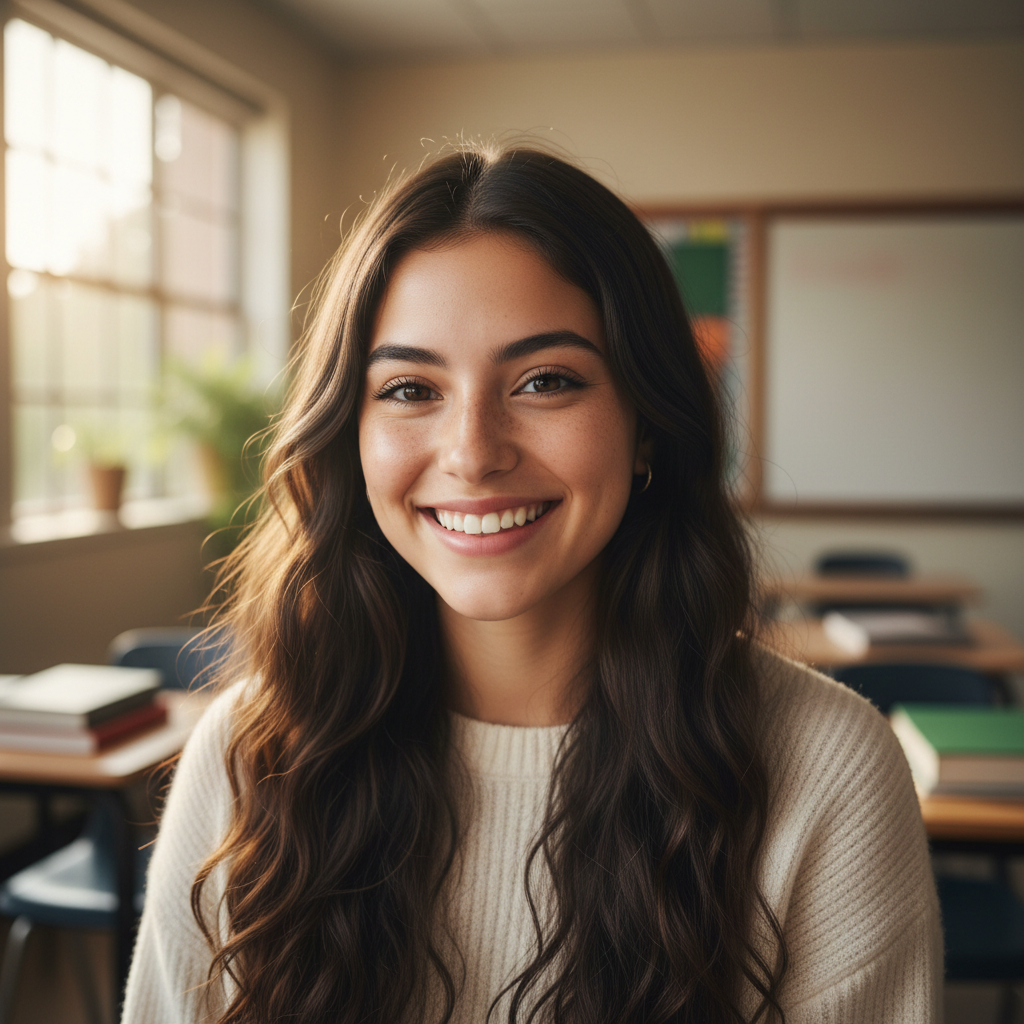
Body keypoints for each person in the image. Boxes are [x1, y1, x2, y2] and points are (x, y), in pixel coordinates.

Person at [121, 144, 942, 1024]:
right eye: (410, 388)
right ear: (348, 435)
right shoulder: (250, 756)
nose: (473, 452)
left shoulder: (828, 774)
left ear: (647, 425)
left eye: (546, 381)